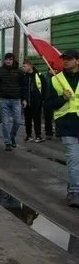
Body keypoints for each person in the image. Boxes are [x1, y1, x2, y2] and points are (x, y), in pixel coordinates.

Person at [47, 49, 78, 207]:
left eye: (69, 58)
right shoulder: (55, 79)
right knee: (73, 159)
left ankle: (73, 186)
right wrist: (62, 98)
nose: (65, 61)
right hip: (67, 124)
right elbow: (49, 104)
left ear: (77, 61)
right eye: (64, 59)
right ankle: (74, 191)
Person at [0, 52, 24, 150]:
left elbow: (23, 85)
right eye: (7, 59)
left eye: (10, 59)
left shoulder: (19, 71)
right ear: (4, 60)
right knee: (5, 122)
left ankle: (12, 136)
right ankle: (7, 142)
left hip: (16, 99)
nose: (8, 61)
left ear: (13, 60)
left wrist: (24, 99)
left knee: (17, 121)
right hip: (3, 99)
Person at [22, 60, 45, 143]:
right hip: (26, 102)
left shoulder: (39, 76)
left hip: (36, 102)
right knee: (27, 119)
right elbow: (22, 89)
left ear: (30, 66)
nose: (23, 68)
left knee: (37, 119)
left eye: (24, 66)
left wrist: (42, 99)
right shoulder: (24, 76)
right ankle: (28, 135)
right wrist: (23, 99)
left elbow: (45, 88)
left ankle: (38, 136)